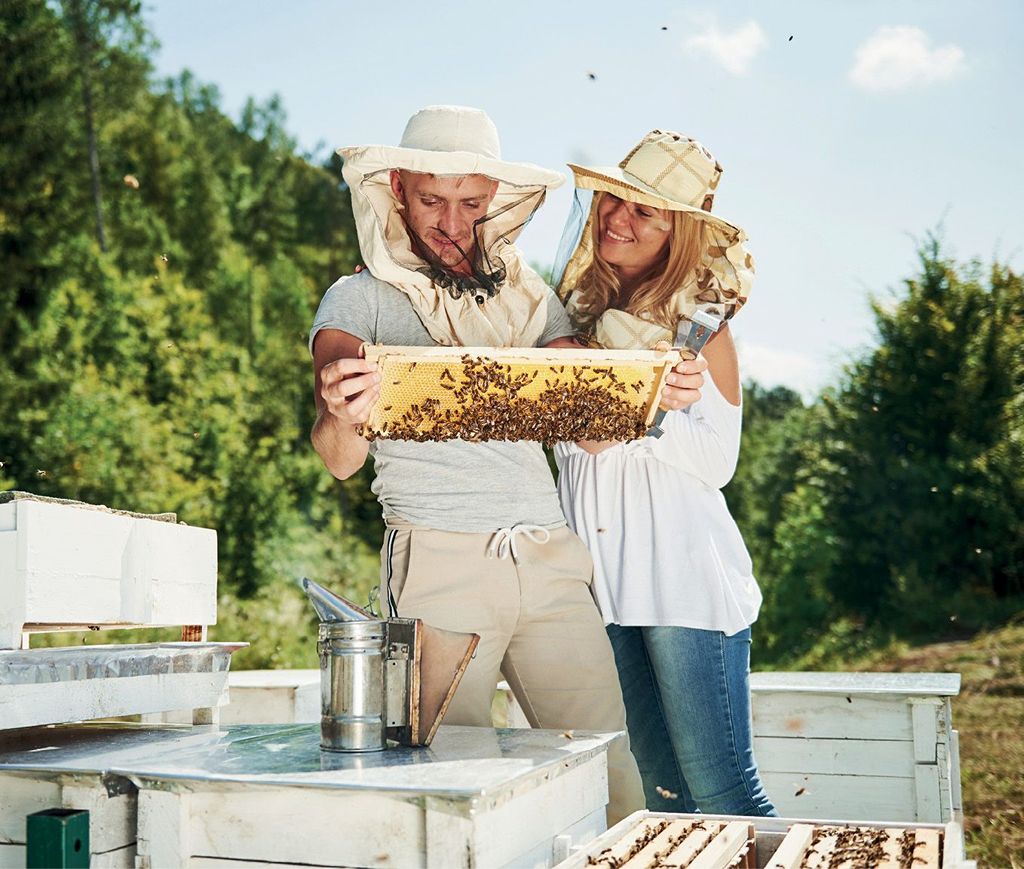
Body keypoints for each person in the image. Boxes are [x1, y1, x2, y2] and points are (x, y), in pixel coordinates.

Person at [308, 106, 704, 822]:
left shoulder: (527, 296)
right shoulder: (355, 298)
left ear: (493, 196)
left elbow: (589, 429)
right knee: (448, 785)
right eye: (432, 200)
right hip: (439, 567)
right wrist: (341, 409)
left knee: (611, 766)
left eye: (469, 202)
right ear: (397, 187)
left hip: (550, 561)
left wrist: (657, 395)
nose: (452, 223)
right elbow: (338, 460)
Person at [553, 130, 777, 817]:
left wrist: (640, 412)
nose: (619, 217)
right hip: (608, 592)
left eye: (646, 212)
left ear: (678, 232)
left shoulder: (702, 326)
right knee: (664, 799)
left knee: (725, 795)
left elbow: (717, 461)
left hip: (686, 588)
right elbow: (573, 450)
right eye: (616, 199)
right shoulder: (578, 320)